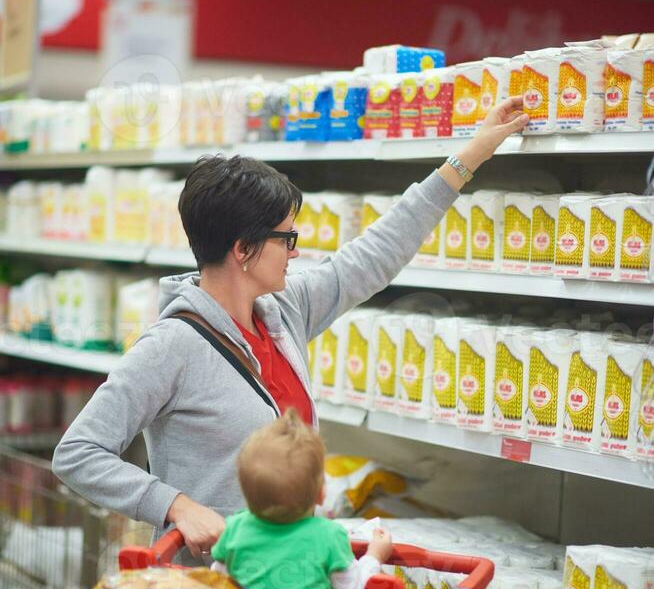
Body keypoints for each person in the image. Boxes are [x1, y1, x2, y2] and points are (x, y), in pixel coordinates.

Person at [52, 95, 529, 560]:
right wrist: (175, 505)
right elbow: (77, 453)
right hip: (218, 588)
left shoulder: (284, 309)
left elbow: (373, 256)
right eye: (287, 238)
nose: (295, 251)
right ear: (243, 249)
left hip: (291, 579)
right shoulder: (171, 345)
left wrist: (471, 155)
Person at [211, 409, 393, 589]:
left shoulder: (234, 529)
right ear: (321, 495)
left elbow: (219, 584)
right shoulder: (329, 536)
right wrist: (374, 555)